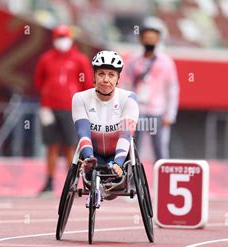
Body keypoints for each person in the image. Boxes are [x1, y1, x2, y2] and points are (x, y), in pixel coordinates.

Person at [71, 50, 139, 205]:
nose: (106, 80)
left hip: (119, 156)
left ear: (118, 79)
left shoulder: (129, 99)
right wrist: (88, 157)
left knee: (122, 152)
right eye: (101, 74)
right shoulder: (80, 98)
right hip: (93, 154)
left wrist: (119, 162)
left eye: (111, 75)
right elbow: (83, 132)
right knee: (91, 163)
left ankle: (108, 175)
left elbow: (126, 134)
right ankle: (91, 170)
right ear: (94, 76)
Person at [35, 25, 93, 196]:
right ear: (54, 39)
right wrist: (47, 96)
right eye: (59, 37)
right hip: (49, 107)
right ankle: (49, 181)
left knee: (71, 146)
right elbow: (39, 81)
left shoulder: (79, 59)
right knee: (51, 146)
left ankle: (73, 182)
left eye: (64, 37)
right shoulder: (46, 59)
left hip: (71, 108)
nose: (62, 41)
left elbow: (87, 83)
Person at [120, 17, 179, 161]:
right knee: (133, 147)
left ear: (158, 40)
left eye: (153, 38)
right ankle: (133, 180)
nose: (149, 41)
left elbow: (172, 89)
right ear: (141, 39)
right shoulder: (133, 60)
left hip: (157, 111)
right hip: (137, 110)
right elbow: (125, 85)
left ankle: (161, 178)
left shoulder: (166, 62)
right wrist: (124, 109)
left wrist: (169, 114)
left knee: (159, 148)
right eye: (147, 38)